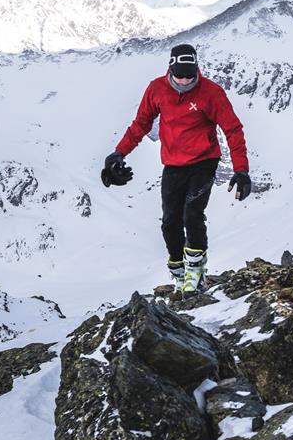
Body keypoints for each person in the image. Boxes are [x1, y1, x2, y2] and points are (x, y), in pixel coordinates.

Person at [102, 43, 251, 294]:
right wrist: (119, 153)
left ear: (197, 70)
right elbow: (141, 124)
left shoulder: (211, 93)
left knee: (191, 215)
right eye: (179, 75)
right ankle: (178, 271)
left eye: (189, 76)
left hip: (204, 161)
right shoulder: (156, 89)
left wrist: (242, 170)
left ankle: (196, 272)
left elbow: (232, 129)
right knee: (170, 222)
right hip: (173, 163)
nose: (184, 81)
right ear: (170, 69)